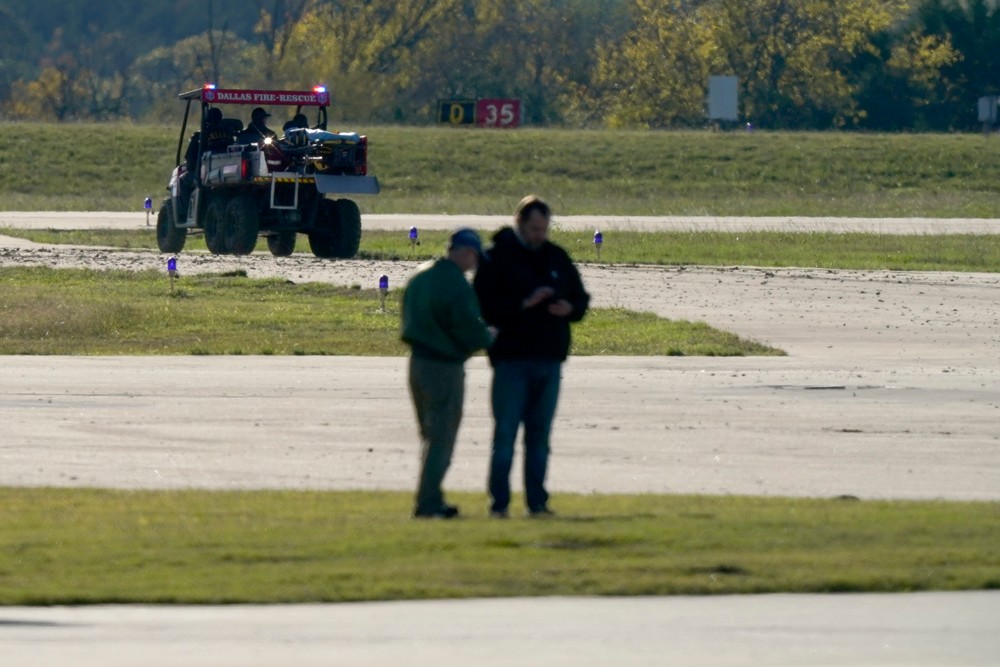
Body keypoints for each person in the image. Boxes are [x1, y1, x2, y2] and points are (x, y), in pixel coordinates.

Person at [473, 195, 590, 518]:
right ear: (520, 224)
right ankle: (499, 504)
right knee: (506, 435)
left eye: (544, 229)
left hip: (549, 362)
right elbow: (484, 306)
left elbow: (580, 299)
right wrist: (524, 303)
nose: (540, 234)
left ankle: (537, 503)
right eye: (535, 228)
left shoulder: (556, 257)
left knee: (540, 438)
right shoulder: (496, 259)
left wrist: (570, 308)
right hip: (511, 360)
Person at [401, 228, 496, 519]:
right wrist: (489, 335)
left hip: (416, 363)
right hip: (444, 368)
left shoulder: (420, 275)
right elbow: (469, 330)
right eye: (474, 258)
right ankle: (428, 504)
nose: (474, 264)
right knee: (442, 438)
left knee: (428, 435)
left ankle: (432, 497)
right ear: (466, 252)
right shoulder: (455, 284)